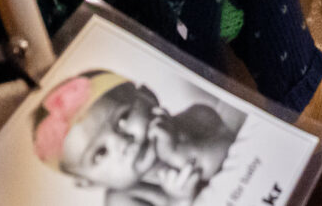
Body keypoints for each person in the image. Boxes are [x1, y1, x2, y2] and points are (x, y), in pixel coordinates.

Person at [33, 70, 244, 205]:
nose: (123, 143)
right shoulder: (122, 200)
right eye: (100, 152)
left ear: (148, 96)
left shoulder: (196, 116)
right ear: (89, 182)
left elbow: (236, 150)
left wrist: (181, 151)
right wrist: (179, 200)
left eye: (123, 118)